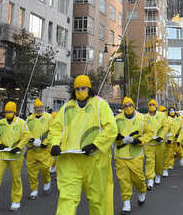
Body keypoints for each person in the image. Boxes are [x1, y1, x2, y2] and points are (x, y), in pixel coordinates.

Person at [48, 74, 117, 215]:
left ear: (89, 88)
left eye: (83, 88)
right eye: (77, 89)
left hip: (94, 161)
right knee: (67, 198)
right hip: (70, 160)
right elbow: (56, 128)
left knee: (97, 200)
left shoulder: (100, 105)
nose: (80, 91)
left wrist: (95, 145)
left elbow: (111, 129)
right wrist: (55, 144)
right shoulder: (67, 108)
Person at [0, 101, 29, 213]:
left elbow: (26, 136)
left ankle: (16, 200)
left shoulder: (21, 123)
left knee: (16, 179)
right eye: (6, 111)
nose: (8, 113)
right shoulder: (0, 122)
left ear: (15, 112)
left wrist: (18, 147)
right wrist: (0, 144)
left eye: (10, 111)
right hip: (2, 155)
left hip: (16, 156)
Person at [115, 97, 150, 213]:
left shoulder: (142, 118)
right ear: (123, 107)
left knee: (138, 178)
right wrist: (116, 137)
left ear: (134, 106)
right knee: (123, 180)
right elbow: (111, 132)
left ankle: (142, 191)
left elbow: (149, 133)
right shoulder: (117, 119)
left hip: (136, 154)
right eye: (125, 105)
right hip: (121, 155)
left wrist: (139, 141)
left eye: (130, 105)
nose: (128, 107)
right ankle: (126, 202)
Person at [26, 98, 54, 199]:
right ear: (34, 108)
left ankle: (47, 181)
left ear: (43, 107)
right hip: (32, 150)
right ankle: (34, 190)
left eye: (40, 107)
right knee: (32, 172)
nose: (38, 109)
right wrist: (31, 140)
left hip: (44, 150)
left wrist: (45, 143)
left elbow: (52, 131)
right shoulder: (29, 119)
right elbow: (26, 132)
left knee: (44, 168)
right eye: (37, 107)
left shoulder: (48, 117)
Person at [143, 99, 166, 189]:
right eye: (150, 105)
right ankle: (150, 180)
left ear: (156, 106)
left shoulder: (162, 115)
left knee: (159, 161)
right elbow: (143, 129)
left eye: (153, 104)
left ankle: (158, 175)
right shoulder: (145, 117)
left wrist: (161, 136)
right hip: (149, 144)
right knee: (149, 161)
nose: (152, 106)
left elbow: (165, 126)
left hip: (159, 143)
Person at [163, 107, 183, 173]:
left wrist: (179, 138)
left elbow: (181, 129)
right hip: (170, 139)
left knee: (178, 150)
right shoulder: (166, 119)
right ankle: (170, 164)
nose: (172, 111)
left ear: (175, 111)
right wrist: (167, 138)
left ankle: (181, 157)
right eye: (170, 110)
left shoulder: (179, 119)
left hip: (177, 138)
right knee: (170, 152)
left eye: (173, 110)